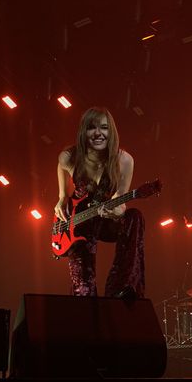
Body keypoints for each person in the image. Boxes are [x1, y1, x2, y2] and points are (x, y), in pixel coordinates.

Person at [54, 106, 145, 298]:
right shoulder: (69, 157)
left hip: (106, 220)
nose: (98, 133)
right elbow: (60, 167)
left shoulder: (125, 160)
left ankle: (122, 287)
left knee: (134, 217)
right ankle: (85, 298)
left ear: (110, 132)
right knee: (84, 291)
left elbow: (120, 196)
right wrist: (62, 196)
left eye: (104, 128)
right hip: (79, 225)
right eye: (92, 127)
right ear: (83, 131)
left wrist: (119, 210)